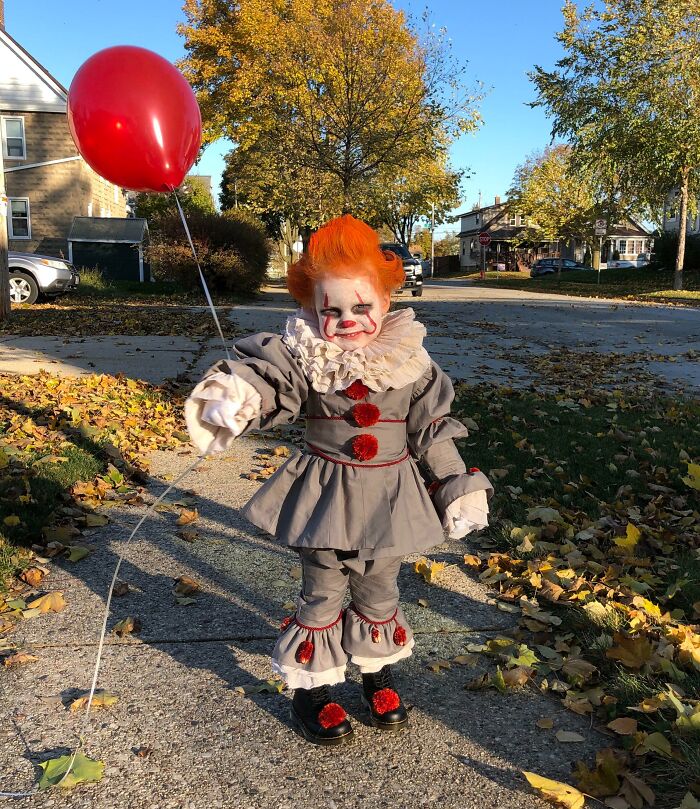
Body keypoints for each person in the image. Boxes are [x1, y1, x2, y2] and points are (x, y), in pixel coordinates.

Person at [184, 215, 492, 746]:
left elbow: (432, 430)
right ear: (312, 309)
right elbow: (271, 379)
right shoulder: (307, 357)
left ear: (385, 301)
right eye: (331, 310)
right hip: (324, 497)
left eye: (360, 307)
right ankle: (314, 691)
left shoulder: (411, 363)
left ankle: (377, 674)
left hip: (391, 501)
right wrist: (240, 395)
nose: (346, 320)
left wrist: (455, 485)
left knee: (380, 589)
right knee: (322, 593)